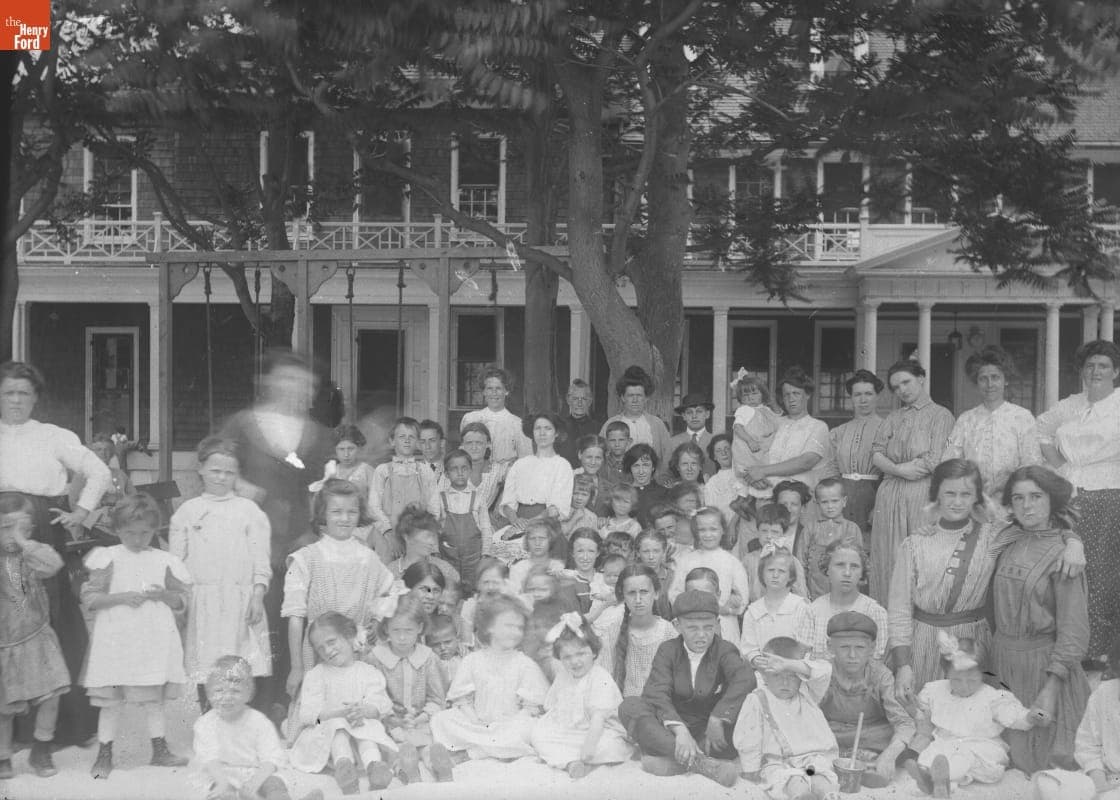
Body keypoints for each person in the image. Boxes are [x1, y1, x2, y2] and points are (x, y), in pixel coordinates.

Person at [888, 459, 1083, 702]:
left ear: (977, 497)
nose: (957, 502)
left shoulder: (993, 536)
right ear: (936, 494)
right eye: (949, 493)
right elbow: (898, 610)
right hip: (925, 642)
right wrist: (903, 665)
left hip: (975, 645)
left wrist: (1073, 541)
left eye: (966, 494)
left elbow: (1040, 530)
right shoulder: (914, 544)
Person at [0, 360, 111, 744]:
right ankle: (8, 730)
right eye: (9, 392)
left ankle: (60, 728)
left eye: (23, 393)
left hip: (41, 532)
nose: (16, 400)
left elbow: (100, 473)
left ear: (35, 399)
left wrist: (81, 513)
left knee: (44, 620)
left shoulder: (52, 436)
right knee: (6, 618)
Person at [219, 350, 333, 719]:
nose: (296, 389)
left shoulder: (317, 434)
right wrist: (240, 484)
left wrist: (313, 531)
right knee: (248, 623)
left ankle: (277, 709)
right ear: (270, 382)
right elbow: (212, 464)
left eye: (305, 385)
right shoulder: (243, 424)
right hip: (248, 542)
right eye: (288, 380)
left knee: (289, 625)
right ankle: (236, 708)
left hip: (297, 544)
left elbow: (324, 487)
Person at [81, 493, 192, 778]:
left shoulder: (165, 560)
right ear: (117, 530)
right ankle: (105, 752)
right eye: (129, 532)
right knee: (111, 701)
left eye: (145, 532)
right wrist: (120, 597)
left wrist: (165, 595)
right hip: (117, 640)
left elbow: (182, 601)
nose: (137, 538)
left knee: (153, 698)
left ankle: (160, 750)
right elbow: (90, 598)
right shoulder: (108, 558)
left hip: (152, 641)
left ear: (155, 530)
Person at [993, 465, 1091, 773]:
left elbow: (1074, 632)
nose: (1027, 505)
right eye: (1018, 498)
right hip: (1002, 668)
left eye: (1036, 496)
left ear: (1053, 500)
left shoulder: (1065, 555)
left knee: (1047, 770)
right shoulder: (1007, 540)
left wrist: (1049, 691)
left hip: (1044, 673)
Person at [170, 437, 272, 709]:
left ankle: (240, 722)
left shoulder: (250, 511)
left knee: (239, 661)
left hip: (240, 599)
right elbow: (176, 565)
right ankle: (209, 721)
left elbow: (261, 560)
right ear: (201, 469)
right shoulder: (187, 512)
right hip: (203, 602)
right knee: (206, 663)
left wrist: (258, 595)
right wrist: (180, 602)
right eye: (215, 470)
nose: (222, 477)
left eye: (229, 472)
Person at [1037, 339, 1120, 663]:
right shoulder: (1070, 405)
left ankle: (1099, 651)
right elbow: (1042, 430)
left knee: (1102, 572)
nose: (1095, 371)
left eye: (1102, 366)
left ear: (1115, 371)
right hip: (1071, 494)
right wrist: (1061, 467)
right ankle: (1070, 646)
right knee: (1066, 569)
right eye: (1090, 366)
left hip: (1111, 494)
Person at [618, 589, 753, 787]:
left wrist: (718, 717)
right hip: (672, 730)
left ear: (718, 623)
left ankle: (676, 763)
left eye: (708, 627)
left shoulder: (724, 650)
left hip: (710, 733)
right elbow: (656, 693)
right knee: (630, 706)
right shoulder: (668, 650)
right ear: (677, 626)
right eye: (692, 628)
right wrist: (680, 731)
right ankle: (702, 764)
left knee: (745, 708)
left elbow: (745, 678)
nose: (701, 635)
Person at [282, 479, 394, 700]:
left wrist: (376, 622)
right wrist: (296, 667)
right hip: (318, 652)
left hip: (358, 652)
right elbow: (295, 616)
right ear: (323, 514)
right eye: (336, 511)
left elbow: (388, 590)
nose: (344, 518)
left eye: (352, 512)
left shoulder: (368, 558)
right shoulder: (306, 558)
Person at [906, 633, 1044, 796]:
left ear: (983, 675)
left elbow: (1014, 716)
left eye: (971, 680)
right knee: (931, 755)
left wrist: (1029, 717)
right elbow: (923, 715)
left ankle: (940, 780)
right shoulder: (935, 691)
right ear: (946, 673)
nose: (964, 686)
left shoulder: (992, 697)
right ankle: (934, 779)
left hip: (982, 747)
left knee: (965, 759)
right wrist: (912, 708)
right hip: (947, 743)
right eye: (956, 680)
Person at [869, 360, 955, 603]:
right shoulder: (893, 417)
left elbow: (935, 459)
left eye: (906, 382)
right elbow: (876, 453)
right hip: (889, 496)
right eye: (896, 387)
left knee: (919, 557)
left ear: (921, 378)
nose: (902, 390)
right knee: (888, 557)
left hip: (921, 495)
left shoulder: (941, 415)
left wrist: (904, 469)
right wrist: (898, 469)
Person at [430, 595, 550, 768]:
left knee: (531, 728)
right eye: (509, 626)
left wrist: (513, 722)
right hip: (478, 723)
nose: (515, 632)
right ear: (489, 627)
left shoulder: (524, 664)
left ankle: (474, 752)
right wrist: (475, 720)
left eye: (519, 628)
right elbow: (462, 700)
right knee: (441, 719)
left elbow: (530, 707)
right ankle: (501, 748)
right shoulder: (472, 660)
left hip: (511, 724)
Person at [0, 492, 71, 779]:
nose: (13, 535)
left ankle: (41, 748)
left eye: (23, 527)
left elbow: (53, 565)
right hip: (4, 644)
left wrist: (24, 543)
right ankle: (3, 756)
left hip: (38, 638)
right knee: (4, 708)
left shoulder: (31, 553)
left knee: (51, 695)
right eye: (6, 527)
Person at [289, 612, 399, 793]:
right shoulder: (316, 675)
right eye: (320, 648)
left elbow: (381, 704)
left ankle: (374, 767)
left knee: (367, 729)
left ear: (349, 636)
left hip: (360, 726)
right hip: (327, 736)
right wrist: (336, 714)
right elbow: (308, 716)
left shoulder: (367, 672)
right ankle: (344, 768)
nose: (327, 651)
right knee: (338, 727)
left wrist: (364, 711)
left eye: (331, 642)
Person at [194, 656, 323, 800]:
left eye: (235, 691)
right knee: (221, 793)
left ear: (248, 694)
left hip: (258, 771)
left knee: (275, 784)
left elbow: (272, 758)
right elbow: (209, 758)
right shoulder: (205, 724)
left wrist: (255, 782)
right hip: (222, 774)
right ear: (209, 694)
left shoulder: (259, 722)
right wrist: (222, 782)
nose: (227, 697)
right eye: (219, 691)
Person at [734, 637, 839, 799]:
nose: (785, 682)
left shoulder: (808, 692)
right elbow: (749, 738)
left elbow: (824, 671)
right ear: (763, 674)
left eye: (792, 676)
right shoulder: (757, 699)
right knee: (791, 781)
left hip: (812, 760)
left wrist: (789, 664)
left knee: (820, 779)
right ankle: (801, 796)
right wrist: (750, 769)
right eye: (777, 675)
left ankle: (829, 795)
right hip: (779, 763)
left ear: (800, 675)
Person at [529, 613, 633, 777]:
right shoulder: (564, 676)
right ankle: (572, 763)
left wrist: (588, 749)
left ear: (593, 652)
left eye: (580, 654)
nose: (575, 662)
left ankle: (576, 759)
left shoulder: (599, 677)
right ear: (560, 659)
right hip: (569, 731)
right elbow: (553, 706)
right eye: (567, 657)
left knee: (610, 746)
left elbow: (598, 719)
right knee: (538, 735)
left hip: (598, 731)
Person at [819, 612, 914, 787]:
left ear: (871, 648)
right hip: (832, 734)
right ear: (830, 647)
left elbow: (903, 722)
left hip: (871, 735)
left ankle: (872, 763)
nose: (852, 655)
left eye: (860, 648)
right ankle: (856, 762)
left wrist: (890, 754)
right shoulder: (822, 672)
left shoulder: (880, 675)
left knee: (906, 739)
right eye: (844, 647)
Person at [366, 594, 451, 784]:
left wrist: (421, 717)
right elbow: (373, 696)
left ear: (420, 628)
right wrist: (392, 718)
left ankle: (438, 766)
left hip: (420, 720)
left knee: (428, 743)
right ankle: (407, 770)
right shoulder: (376, 658)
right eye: (396, 630)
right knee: (390, 747)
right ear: (386, 628)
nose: (402, 637)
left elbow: (437, 699)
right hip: (389, 722)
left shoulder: (428, 658)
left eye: (409, 630)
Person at [1027, 637, 1120, 800]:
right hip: (1104, 775)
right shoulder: (1104, 694)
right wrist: (1098, 778)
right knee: (1048, 782)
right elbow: (1088, 744)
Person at [945, 345, 1041, 503]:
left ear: (1006, 380)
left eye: (995, 377)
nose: (990, 384)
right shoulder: (966, 420)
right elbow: (951, 462)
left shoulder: (1023, 417)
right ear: (977, 382)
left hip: (1013, 500)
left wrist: (1005, 485)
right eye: (983, 378)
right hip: (973, 500)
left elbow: (1032, 463)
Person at [741, 366, 834, 503]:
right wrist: (752, 477)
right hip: (768, 497)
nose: (791, 399)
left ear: (807, 395)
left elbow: (806, 462)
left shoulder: (818, 427)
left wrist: (763, 471)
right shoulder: (775, 423)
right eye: (787, 395)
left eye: (796, 393)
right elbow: (751, 453)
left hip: (800, 500)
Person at [494, 412, 574, 562]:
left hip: (547, 525)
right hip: (517, 521)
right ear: (532, 432)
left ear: (556, 433)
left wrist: (528, 525)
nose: (542, 433)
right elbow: (507, 503)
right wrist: (515, 520)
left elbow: (555, 508)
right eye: (538, 428)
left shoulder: (562, 465)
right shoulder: (520, 464)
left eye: (548, 428)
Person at [667, 507, 751, 646]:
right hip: (692, 622)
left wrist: (729, 607)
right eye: (702, 530)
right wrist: (694, 607)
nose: (708, 534)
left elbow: (742, 599)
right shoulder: (686, 560)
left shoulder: (731, 562)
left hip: (724, 624)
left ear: (723, 530)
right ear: (696, 532)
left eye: (713, 529)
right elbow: (674, 594)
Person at [595, 565, 677, 695]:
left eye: (644, 592)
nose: (638, 600)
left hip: (660, 705)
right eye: (631, 593)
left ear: (656, 593)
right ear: (623, 596)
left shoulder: (668, 632)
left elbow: (677, 677)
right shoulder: (613, 631)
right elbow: (604, 676)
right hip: (623, 706)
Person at [367, 417, 440, 561]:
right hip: (388, 537)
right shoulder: (383, 471)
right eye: (401, 437)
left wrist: (421, 536)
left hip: (418, 537)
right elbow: (373, 507)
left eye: (411, 437)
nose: (407, 440)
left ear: (418, 442)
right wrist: (389, 534)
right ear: (392, 441)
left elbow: (434, 508)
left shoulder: (425, 471)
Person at [827, 368, 885, 540]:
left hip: (873, 495)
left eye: (868, 393)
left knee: (868, 546)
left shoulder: (887, 428)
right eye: (857, 394)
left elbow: (889, 474)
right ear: (851, 397)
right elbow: (831, 468)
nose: (863, 399)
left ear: (877, 396)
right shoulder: (839, 432)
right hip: (842, 496)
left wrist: (879, 506)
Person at [809, 539, 889, 662]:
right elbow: (805, 659)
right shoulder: (813, 611)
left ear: (862, 572)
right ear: (827, 569)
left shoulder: (875, 613)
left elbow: (878, 663)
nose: (847, 573)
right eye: (840, 565)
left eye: (854, 566)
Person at [740, 549, 814, 667]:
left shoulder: (800, 607)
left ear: (790, 576)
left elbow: (807, 647)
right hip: (763, 672)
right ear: (762, 574)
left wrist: (788, 664)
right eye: (770, 570)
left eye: (782, 571)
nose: (775, 575)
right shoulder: (753, 611)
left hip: (795, 672)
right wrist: (754, 658)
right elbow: (748, 647)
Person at [436, 449, 491, 590]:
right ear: (447, 474)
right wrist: (435, 555)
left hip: (474, 560)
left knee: (472, 592)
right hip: (447, 559)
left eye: (464, 468)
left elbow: (485, 528)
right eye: (454, 469)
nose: (460, 473)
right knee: (449, 591)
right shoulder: (440, 498)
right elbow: (433, 531)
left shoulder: (478, 497)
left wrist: (486, 554)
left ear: (470, 470)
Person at [599, 366, 673, 468]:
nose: (635, 400)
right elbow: (600, 454)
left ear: (646, 398)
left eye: (639, 395)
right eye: (630, 396)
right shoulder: (610, 424)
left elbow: (668, 456)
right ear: (623, 398)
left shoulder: (657, 424)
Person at [802, 477, 863, 599]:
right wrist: (804, 590)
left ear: (844, 501)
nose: (830, 506)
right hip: (815, 592)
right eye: (825, 502)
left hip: (844, 593)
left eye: (835, 501)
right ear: (817, 503)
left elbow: (859, 562)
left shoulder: (851, 528)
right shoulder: (810, 528)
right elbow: (801, 561)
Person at [458, 367, 532, 468]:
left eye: (498, 388)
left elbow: (526, 460)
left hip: (505, 479)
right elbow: (463, 452)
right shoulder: (471, 418)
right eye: (489, 388)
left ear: (506, 391)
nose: (494, 393)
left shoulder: (517, 424)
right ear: (483, 392)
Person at [741, 503, 809, 602]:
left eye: (774, 532)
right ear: (757, 531)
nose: (769, 536)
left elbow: (800, 594)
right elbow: (742, 591)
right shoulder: (748, 560)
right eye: (764, 531)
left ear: (783, 533)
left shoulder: (792, 561)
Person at [730, 373, 780, 500]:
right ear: (741, 398)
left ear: (762, 394)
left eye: (754, 393)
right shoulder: (744, 410)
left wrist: (772, 403)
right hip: (749, 446)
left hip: (764, 445)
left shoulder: (765, 409)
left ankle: (748, 501)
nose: (750, 398)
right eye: (746, 395)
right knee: (750, 471)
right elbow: (738, 427)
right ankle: (743, 501)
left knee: (765, 472)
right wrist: (749, 440)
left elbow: (778, 416)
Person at [386, 508, 461, 588]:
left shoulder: (445, 570)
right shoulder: (390, 572)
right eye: (427, 536)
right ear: (407, 537)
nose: (433, 542)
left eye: (434, 536)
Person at [456, 422, 506, 516]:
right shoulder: (453, 469)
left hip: (485, 524)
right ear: (462, 446)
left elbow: (515, 481)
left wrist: (498, 506)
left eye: (479, 443)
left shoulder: (497, 470)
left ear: (488, 444)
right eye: (469, 443)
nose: (474, 447)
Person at [507, 518, 565, 593]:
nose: (537, 543)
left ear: (550, 540)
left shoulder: (558, 567)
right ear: (527, 541)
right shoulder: (518, 569)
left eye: (542, 538)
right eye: (533, 538)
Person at [557, 380, 603, 467]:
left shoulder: (598, 428)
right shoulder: (560, 426)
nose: (579, 403)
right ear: (568, 400)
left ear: (589, 401)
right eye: (575, 399)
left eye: (584, 399)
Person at [669, 393, 716, 477]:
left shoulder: (715, 442)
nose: (694, 416)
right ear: (683, 416)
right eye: (689, 412)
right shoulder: (673, 442)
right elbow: (666, 473)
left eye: (699, 411)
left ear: (707, 414)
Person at [625, 444, 672, 528]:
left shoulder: (665, 493)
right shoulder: (623, 493)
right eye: (636, 466)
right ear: (630, 468)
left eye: (646, 465)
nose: (641, 471)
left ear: (653, 467)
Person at [704, 434, 744, 528]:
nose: (724, 453)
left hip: (744, 527)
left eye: (727, 448)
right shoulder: (711, 483)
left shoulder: (744, 474)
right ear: (714, 456)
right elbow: (712, 513)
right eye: (718, 451)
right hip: (723, 529)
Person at [326, 424, 376, 498]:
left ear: (358, 448)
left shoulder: (368, 471)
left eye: (351, 449)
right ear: (335, 449)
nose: (346, 454)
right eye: (341, 449)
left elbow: (376, 502)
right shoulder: (331, 471)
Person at [572, 434, 613, 516]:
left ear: (603, 459)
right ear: (580, 454)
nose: (593, 462)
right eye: (589, 457)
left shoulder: (609, 487)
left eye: (598, 458)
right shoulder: (569, 481)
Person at [426, 613, 466, 688]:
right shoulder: (430, 666)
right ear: (427, 646)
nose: (443, 648)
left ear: (457, 640)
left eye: (447, 642)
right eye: (436, 644)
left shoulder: (464, 658)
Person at [561, 473, 600, 544]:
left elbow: (594, 541)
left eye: (584, 494)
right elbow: (560, 534)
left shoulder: (592, 517)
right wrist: (574, 518)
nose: (579, 498)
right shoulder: (562, 511)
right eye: (575, 493)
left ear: (590, 496)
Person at [601, 421, 633, 490]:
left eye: (621, 440)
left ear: (629, 441)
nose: (617, 444)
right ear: (606, 442)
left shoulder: (633, 463)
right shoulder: (602, 464)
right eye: (612, 440)